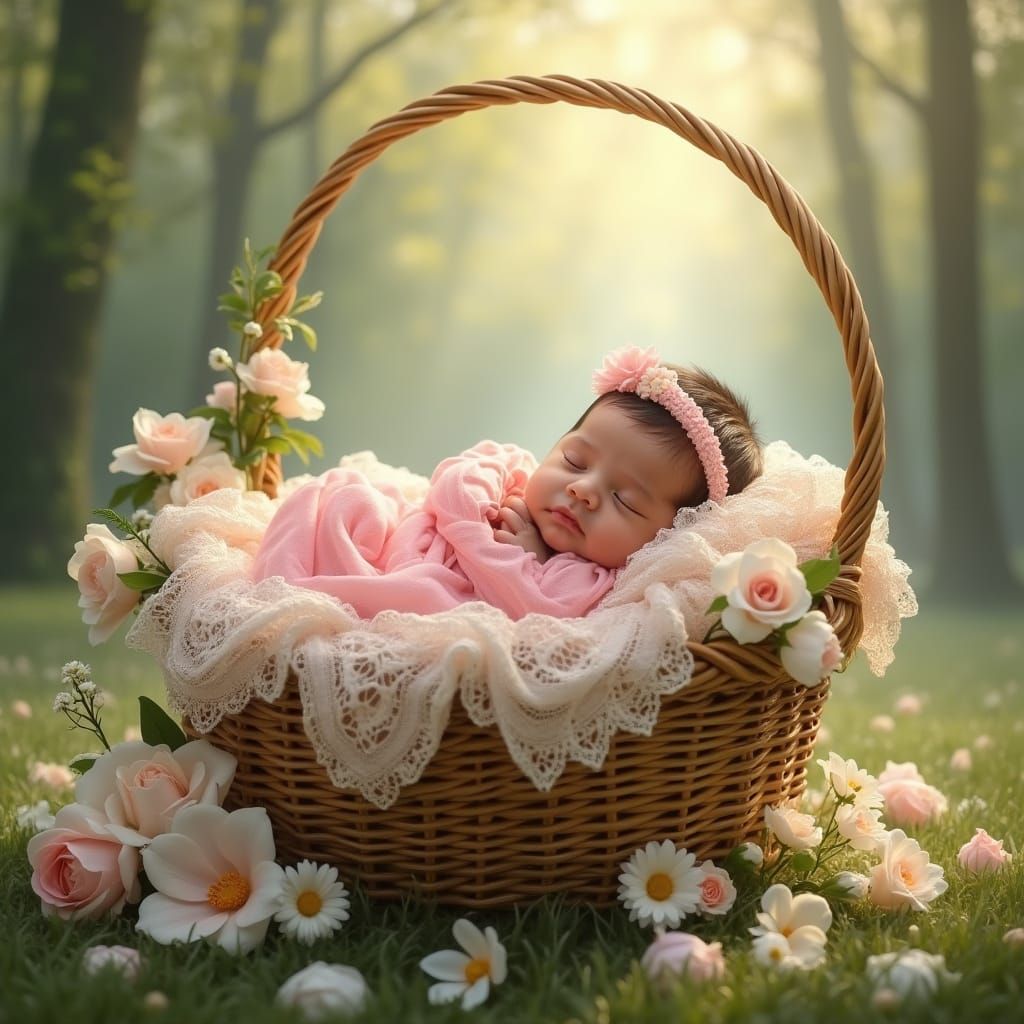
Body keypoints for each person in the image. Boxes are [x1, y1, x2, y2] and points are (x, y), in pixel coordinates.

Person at [250, 346, 762, 620]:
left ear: (670, 534)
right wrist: (480, 517)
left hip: (417, 603)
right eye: (575, 459)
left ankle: (294, 605)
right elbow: (452, 487)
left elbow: (539, 612)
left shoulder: (594, 588)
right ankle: (277, 595)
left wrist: (525, 562)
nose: (583, 490)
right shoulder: (509, 473)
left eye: (624, 500)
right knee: (343, 496)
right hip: (398, 548)